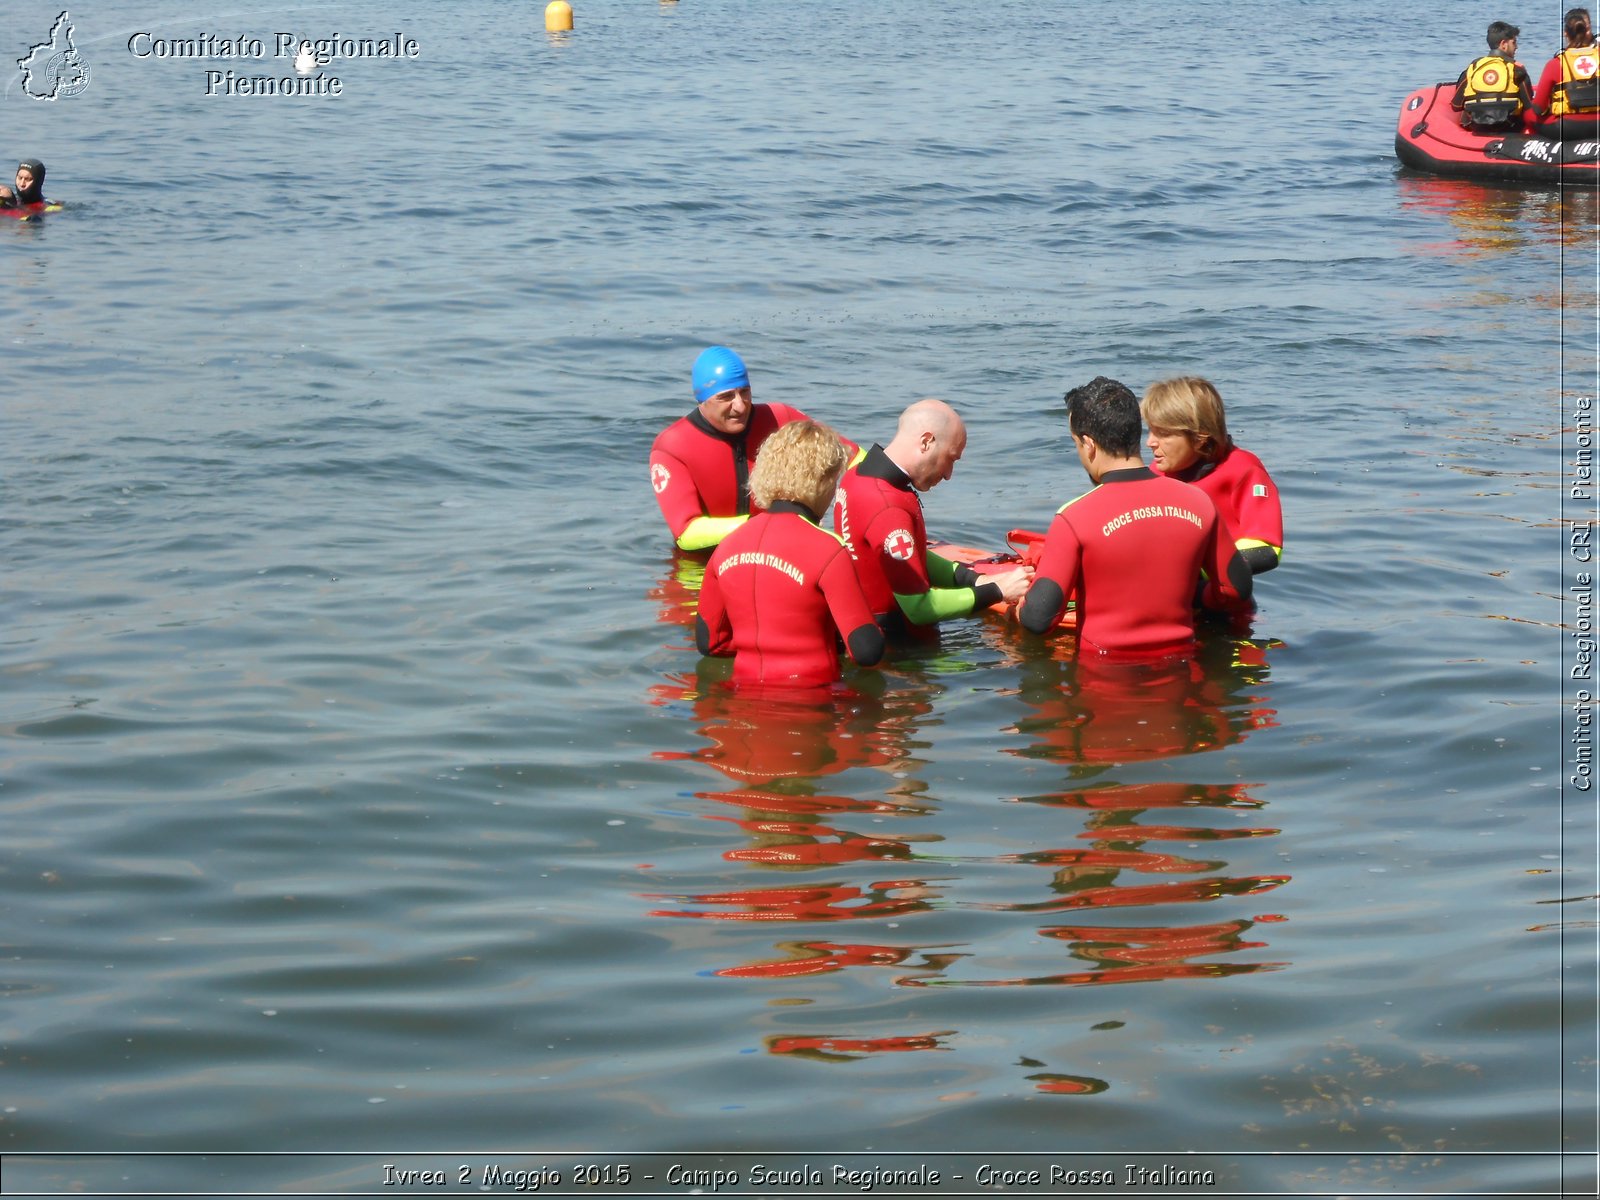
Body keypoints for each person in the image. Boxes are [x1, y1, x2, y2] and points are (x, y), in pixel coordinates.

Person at [1017, 377, 1251, 658]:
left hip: (1105, 679)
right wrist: (1195, 595)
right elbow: (1237, 589)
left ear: (1089, 444)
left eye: (1076, 443)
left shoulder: (1074, 516)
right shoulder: (1199, 502)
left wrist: (1017, 607)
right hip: (1180, 666)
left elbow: (1039, 619)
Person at [695, 419, 884, 687]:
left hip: (744, 702)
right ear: (824, 480)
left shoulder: (728, 545)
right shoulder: (828, 548)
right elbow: (867, 651)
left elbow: (710, 642)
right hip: (812, 702)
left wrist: (764, 649)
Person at [834, 398, 1031, 639]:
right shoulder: (889, 506)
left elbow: (907, 557)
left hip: (862, 631)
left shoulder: (857, 476)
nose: (948, 475)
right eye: (950, 458)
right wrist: (997, 591)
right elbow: (919, 608)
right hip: (898, 653)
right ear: (927, 442)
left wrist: (975, 580)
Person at [651, 345, 849, 553]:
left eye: (744, 392)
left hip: (779, 552)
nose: (741, 406)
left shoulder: (779, 418)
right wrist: (767, 525)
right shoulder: (673, 445)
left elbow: (851, 455)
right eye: (726, 397)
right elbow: (687, 533)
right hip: (703, 565)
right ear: (702, 399)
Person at [1141, 377, 1282, 576]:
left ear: (1200, 438)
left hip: (1219, 600)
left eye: (1163, 434)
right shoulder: (1156, 475)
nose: (1150, 442)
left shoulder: (1243, 469)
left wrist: (1191, 570)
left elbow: (1267, 550)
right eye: (1150, 430)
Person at [1452, 21, 1538, 132]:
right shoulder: (1517, 69)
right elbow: (1529, 107)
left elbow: (1456, 105)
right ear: (1503, 44)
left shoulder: (1473, 68)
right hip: (1510, 128)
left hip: (1478, 128)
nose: (1516, 47)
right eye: (1514, 43)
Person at [1532, 9, 1600, 138]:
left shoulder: (1555, 63)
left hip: (1568, 127)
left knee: (1529, 114)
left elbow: (1538, 107)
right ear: (1587, 31)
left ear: (1565, 34)